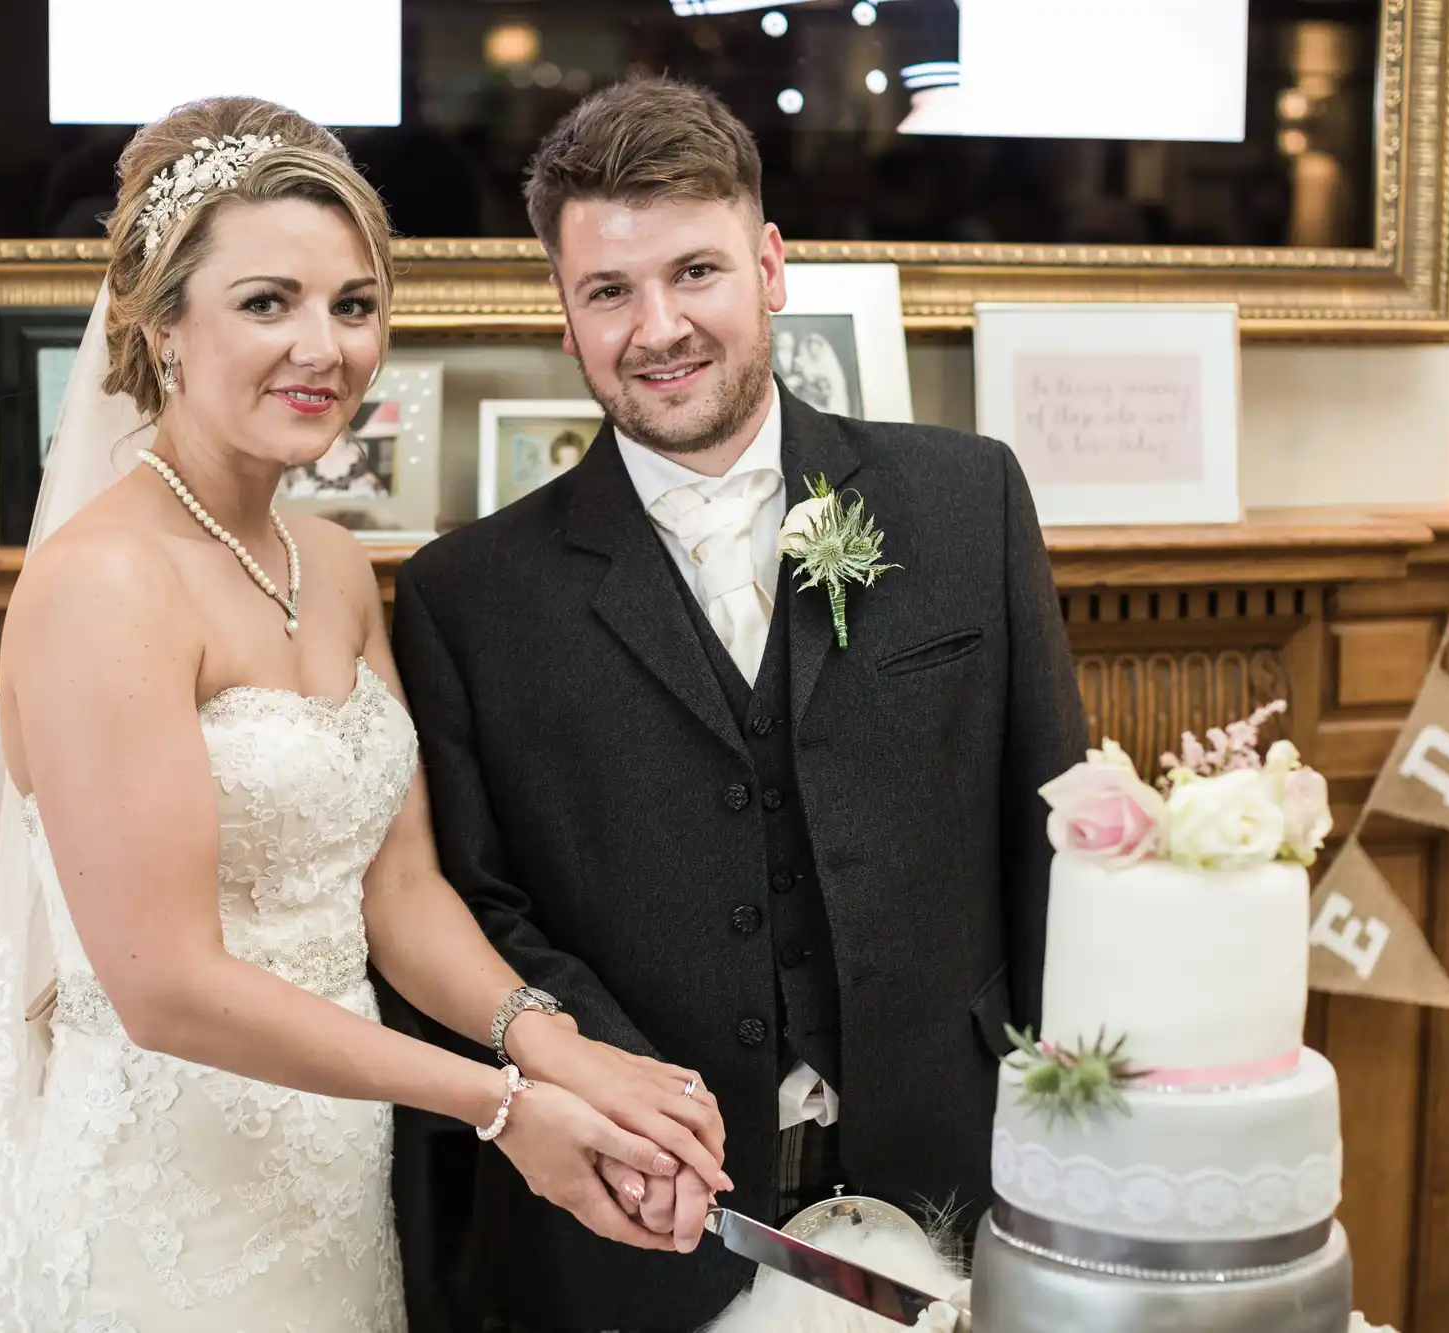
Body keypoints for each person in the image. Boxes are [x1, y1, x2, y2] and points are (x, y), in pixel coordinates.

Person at [0, 97, 728, 1333]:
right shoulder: (101, 582)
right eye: (265, 303)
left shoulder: (324, 562)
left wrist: (548, 1042)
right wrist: (497, 1106)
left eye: (351, 304)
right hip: (154, 1218)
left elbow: (400, 895)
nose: (321, 347)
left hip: (327, 1190)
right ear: (161, 325)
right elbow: (163, 982)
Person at [392, 77, 1088, 1330]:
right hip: (643, 1234)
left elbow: (1046, 838)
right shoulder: (467, 596)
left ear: (768, 266)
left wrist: (1071, 1147)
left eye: (694, 272)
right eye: (608, 290)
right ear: (564, 313)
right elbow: (478, 906)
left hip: (960, 1193)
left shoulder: (964, 502)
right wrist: (620, 1099)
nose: (657, 326)